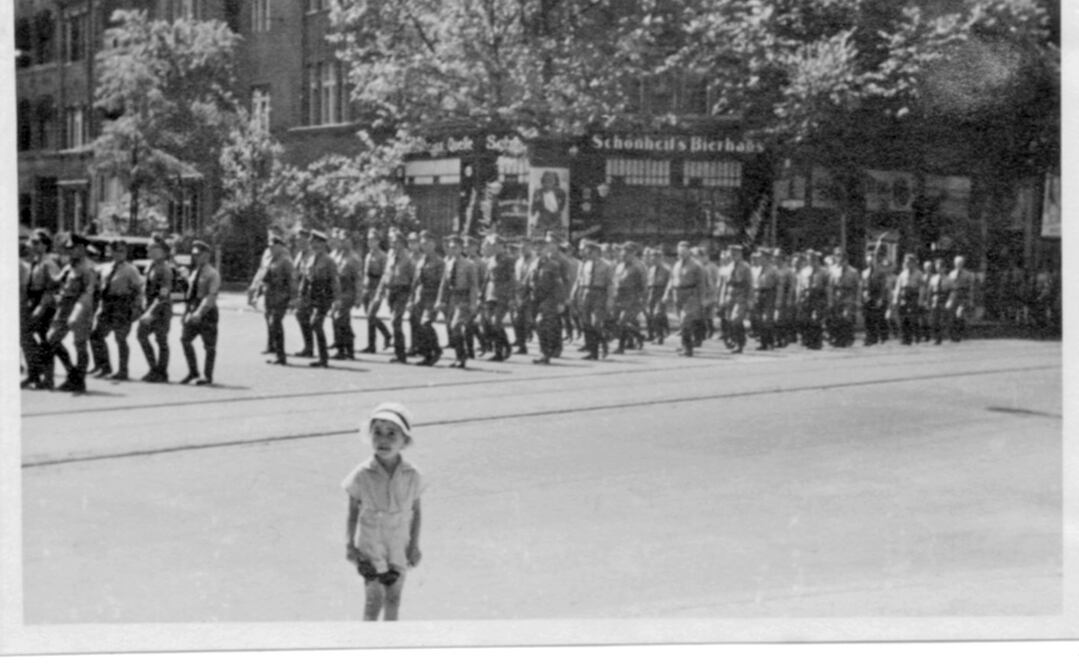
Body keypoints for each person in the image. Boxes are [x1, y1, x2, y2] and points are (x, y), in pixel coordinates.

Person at [343, 402, 425, 622]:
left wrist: (415, 545)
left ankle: (390, 644)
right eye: (377, 432)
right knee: (373, 601)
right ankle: (367, 645)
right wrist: (349, 545)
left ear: (405, 441)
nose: (383, 439)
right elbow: (352, 511)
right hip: (371, 546)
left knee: (393, 599)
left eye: (392, 434)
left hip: (398, 545)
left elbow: (416, 512)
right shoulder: (362, 474)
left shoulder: (412, 475)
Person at [45, 233, 98, 393]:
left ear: (81, 248)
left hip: (80, 308)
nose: (68, 251)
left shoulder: (88, 268)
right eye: (67, 249)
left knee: (80, 344)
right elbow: (57, 281)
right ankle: (72, 372)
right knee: (52, 340)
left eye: (71, 248)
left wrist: (76, 314)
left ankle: (79, 380)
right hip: (64, 307)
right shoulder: (70, 266)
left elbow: (88, 293)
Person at [88, 240, 143, 380]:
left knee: (120, 338)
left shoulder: (131, 269)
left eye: (122, 251)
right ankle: (103, 366)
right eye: (116, 251)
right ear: (111, 252)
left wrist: (137, 307)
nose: (119, 254)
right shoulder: (105, 267)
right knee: (96, 335)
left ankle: (122, 371)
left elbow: (138, 290)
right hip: (106, 304)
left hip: (122, 304)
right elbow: (92, 272)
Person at [23, 230, 63, 389]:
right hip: (33, 301)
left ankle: (48, 378)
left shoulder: (49, 263)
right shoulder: (34, 261)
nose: (32, 245)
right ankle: (34, 374)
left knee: (45, 340)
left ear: (45, 245)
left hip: (44, 304)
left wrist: (41, 306)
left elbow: (53, 286)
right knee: (28, 338)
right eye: (31, 242)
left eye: (36, 242)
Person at [179, 240, 221, 385]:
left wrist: (200, 312)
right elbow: (190, 294)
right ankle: (193, 371)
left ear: (207, 255)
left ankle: (207, 375)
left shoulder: (212, 273)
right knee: (185, 340)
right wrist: (186, 312)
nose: (196, 257)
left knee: (209, 346)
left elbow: (211, 295)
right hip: (193, 307)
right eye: (195, 255)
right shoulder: (194, 272)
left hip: (207, 311)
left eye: (199, 255)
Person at [435, 235, 479, 369]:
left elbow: (473, 286)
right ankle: (459, 356)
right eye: (450, 247)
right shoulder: (447, 263)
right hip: (452, 298)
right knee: (451, 328)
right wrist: (439, 300)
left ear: (461, 248)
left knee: (456, 326)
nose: (452, 250)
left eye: (455, 247)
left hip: (463, 298)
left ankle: (462, 356)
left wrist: (473, 303)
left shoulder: (469, 265)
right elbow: (444, 283)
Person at [136, 237, 175, 383]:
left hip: (161, 309)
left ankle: (162, 372)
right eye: (148, 248)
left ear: (162, 252)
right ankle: (154, 368)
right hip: (150, 308)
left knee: (161, 340)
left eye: (152, 248)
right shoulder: (151, 266)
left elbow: (163, 295)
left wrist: (150, 312)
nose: (149, 251)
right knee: (141, 336)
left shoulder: (165, 270)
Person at [301, 230, 341, 368]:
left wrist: (337, 299)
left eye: (316, 242)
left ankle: (323, 358)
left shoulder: (329, 260)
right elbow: (306, 278)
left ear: (323, 244)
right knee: (312, 323)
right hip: (313, 295)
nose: (312, 245)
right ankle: (321, 356)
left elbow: (335, 280)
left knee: (316, 323)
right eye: (312, 242)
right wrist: (302, 294)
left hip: (325, 295)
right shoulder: (311, 259)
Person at [375, 232, 415, 364]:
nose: (393, 245)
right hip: (391, 292)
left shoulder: (408, 259)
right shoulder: (390, 256)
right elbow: (385, 275)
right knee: (395, 322)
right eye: (392, 242)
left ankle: (401, 354)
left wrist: (411, 298)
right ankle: (399, 353)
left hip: (403, 291)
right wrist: (379, 292)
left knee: (395, 320)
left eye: (396, 242)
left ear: (403, 244)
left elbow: (414, 280)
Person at [572, 239, 614, 360]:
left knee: (596, 323)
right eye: (587, 250)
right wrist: (574, 295)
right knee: (585, 323)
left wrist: (610, 299)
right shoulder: (584, 264)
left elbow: (610, 284)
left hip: (599, 293)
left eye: (591, 250)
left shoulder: (607, 265)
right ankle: (593, 351)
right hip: (585, 293)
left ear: (597, 251)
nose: (588, 252)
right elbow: (579, 281)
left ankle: (603, 342)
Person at [528, 234, 566, 364]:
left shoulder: (553, 265)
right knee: (540, 326)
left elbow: (559, 284)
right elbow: (528, 282)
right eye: (536, 248)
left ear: (546, 249)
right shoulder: (533, 264)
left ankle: (546, 353)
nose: (538, 250)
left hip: (549, 298)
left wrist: (561, 301)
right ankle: (547, 351)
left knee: (542, 323)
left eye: (541, 247)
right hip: (536, 299)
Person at [663, 240, 706, 357]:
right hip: (678, 295)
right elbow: (671, 280)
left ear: (688, 252)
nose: (681, 253)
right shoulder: (676, 264)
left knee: (685, 320)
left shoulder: (696, 265)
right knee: (682, 323)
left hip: (691, 295)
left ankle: (688, 349)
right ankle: (684, 345)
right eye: (679, 251)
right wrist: (667, 294)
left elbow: (701, 283)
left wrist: (702, 299)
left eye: (683, 251)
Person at [408, 231, 444, 366]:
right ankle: (426, 354)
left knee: (426, 323)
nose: (425, 246)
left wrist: (440, 300)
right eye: (423, 244)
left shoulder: (440, 262)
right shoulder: (421, 261)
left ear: (434, 244)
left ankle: (436, 349)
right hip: (420, 296)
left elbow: (442, 284)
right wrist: (411, 300)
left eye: (427, 244)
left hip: (432, 296)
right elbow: (415, 282)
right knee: (416, 323)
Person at [479, 234, 517, 361]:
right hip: (490, 294)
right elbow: (486, 278)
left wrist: (512, 297)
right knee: (489, 322)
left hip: (503, 294)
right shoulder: (490, 259)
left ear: (502, 246)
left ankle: (500, 350)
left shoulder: (509, 260)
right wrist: (481, 294)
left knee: (496, 322)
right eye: (492, 245)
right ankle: (503, 346)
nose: (493, 247)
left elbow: (512, 279)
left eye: (495, 245)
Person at [263, 234, 295, 366]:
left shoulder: (285, 260)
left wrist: (293, 298)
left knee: (275, 322)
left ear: (280, 246)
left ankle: (281, 356)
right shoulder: (271, 259)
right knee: (272, 324)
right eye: (269, 246)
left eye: (273, 246)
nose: (270, 249)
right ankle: (278, 353)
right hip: (270, 295)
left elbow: (292, 280)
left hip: (281, 296)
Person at [360, 228, 393, 354]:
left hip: (377, 287)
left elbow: (385, 274)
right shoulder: (368, 255)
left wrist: (381, 291)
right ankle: (371, 345)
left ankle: (387, 334)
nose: (370, 242)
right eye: (369, 240)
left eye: (373, 240)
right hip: (367, 287)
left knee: (371, 315)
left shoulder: (383, 256)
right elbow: (365, 272)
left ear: (378, 241)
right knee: (369, 317)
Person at [332, 230, 363, 360]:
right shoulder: (336, 255)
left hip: (348, 290)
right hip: (338, 292)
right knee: (340, 320)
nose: (342, 242)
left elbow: (358, 279)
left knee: (340, 318)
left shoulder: (353, 258)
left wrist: (358, 297)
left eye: (345, 240)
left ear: (350, 241)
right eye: (340, 240)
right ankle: (348, 349)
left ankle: (342, 350)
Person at [612, 242, 646, 354]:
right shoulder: (620, 266)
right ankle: (639, 336)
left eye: (627, 252)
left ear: (634, 253)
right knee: (615, 322)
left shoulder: (639, 266)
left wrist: (642, 299)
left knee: (623, 321)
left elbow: (644, 284)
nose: (624, 254)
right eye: (623, 252)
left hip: (632, 297)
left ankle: (620, 347)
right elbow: (615, 281)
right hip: (619, 296)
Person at [721, 244, 753, 354]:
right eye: (732, 253)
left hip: (741, 295)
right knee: (729, 319)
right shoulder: (729, 266)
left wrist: (750, 299)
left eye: (735, 253)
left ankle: (740, 343)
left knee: (736, 319)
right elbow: (725, 284)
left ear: (740, 254)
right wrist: (722, 297)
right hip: (730, 295)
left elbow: (750, 284)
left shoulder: (745, 267)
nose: (733, 255)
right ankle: (735, 340)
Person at [827, 248, 860, 347]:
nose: (839, 258)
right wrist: (830, 300)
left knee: (846, 317)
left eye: (841, 255)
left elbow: (857, 287)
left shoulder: (853, 271)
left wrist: (857, 300)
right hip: (837, 295)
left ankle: (848, 338)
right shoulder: (832, 270)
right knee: (836, 319)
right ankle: (837, 338)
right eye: (837, 255)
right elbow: (830, 286)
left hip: (848, 296)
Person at [292, 229, 315, 357]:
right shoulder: (300, 255)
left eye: (301, 240)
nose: (298, 243)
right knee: (301, 317)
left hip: (309, 291)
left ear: (307, 241)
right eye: (297, 240)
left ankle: (309, 348)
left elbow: (308, 275)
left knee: (303, 316)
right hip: (300, 291)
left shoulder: (311, 255)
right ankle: (308, 347)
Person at [512, 238, 537, 355]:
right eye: (521, 247)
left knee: (533, 320)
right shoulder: (519, 261)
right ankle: (521, 345)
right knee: (518, 320)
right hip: (520, 294)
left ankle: (550, 346)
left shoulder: (535, 260)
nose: (522, 249)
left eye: (525, 247)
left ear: (531, 247)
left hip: (532, 293)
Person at [751, 247, 779, 351]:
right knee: (758, 319)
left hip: (769, 293)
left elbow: (777, 285)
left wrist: (777, 299)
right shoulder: (757, 269)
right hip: (759, 293)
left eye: (761, 257)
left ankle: (770, 342)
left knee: (767, 319)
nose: (759, 259)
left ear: (767, 258)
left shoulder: (773, 269)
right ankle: (763, 343)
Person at [892, 253, 924, 345]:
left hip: (913, 297)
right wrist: (896, 299)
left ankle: (915, 337)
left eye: (910, 262)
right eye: (906, 262)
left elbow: (922, 287)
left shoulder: (919, 274)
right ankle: (904, 338)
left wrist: (920, 300)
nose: (907, 264)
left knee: (913, 318)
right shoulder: (902, 274)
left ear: (914, 263)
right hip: (904, 297)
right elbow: (898, 287)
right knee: (903, 318)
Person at [861, 249, 890, 347]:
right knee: (868, 318)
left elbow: (883, 286)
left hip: (878, 296)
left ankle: (883, 337)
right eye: (868, 260)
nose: (869, 262)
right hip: (868, 297)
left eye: (871, 260)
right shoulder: (864, 273)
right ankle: (870, 337)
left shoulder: (881, 272)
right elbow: (863, 286)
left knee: (879, 318)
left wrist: (881, 298)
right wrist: (863, 295)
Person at [644, 247, 671, 345]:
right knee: (650, 314)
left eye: (655, 258)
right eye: (652, 258)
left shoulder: (666, 270)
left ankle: (660, 337)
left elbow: (669, 283)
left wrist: (666, 294)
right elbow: (648, 283)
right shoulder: (651, 269)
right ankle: (653, 334)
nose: (653, 260)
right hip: (651, 292)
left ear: (661, 258)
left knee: (657, 315)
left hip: (661, 292)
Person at [530, 170, 568, 236]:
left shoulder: (560, 192)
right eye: (545, 181)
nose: (547, 184)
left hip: (556, 223)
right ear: (542, 182)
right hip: (543, 222)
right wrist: (532, 223)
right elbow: (533, 210)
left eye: (550, 181)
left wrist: (564, 225)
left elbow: (563, 208)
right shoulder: (538, 193)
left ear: (554, 182)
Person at [947, 255, 975, 342]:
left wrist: (970, 299)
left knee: (959, 314)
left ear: (963, 263)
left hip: (963, 295)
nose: (958, 264)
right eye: (957, 263)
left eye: (960, 263)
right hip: (954, 295)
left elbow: (971, 287)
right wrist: (949, 299)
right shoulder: (951, 274)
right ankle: (952, 336)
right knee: (952, 316)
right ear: (954, 263)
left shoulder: (968, 274)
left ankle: (960, 334)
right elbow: (949, 287)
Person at [925, 257, 948, 345]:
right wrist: (928, 301)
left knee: (941, 320)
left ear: (944, 268)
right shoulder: (933, 278)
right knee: (933, 320)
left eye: (941, 267)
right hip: (934, 300)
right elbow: (929, 291)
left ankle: (939, 338)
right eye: (937, 267)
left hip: (943, 299)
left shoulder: (948, 279)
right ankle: (935, 336)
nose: (939, 269)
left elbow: (951, 290)